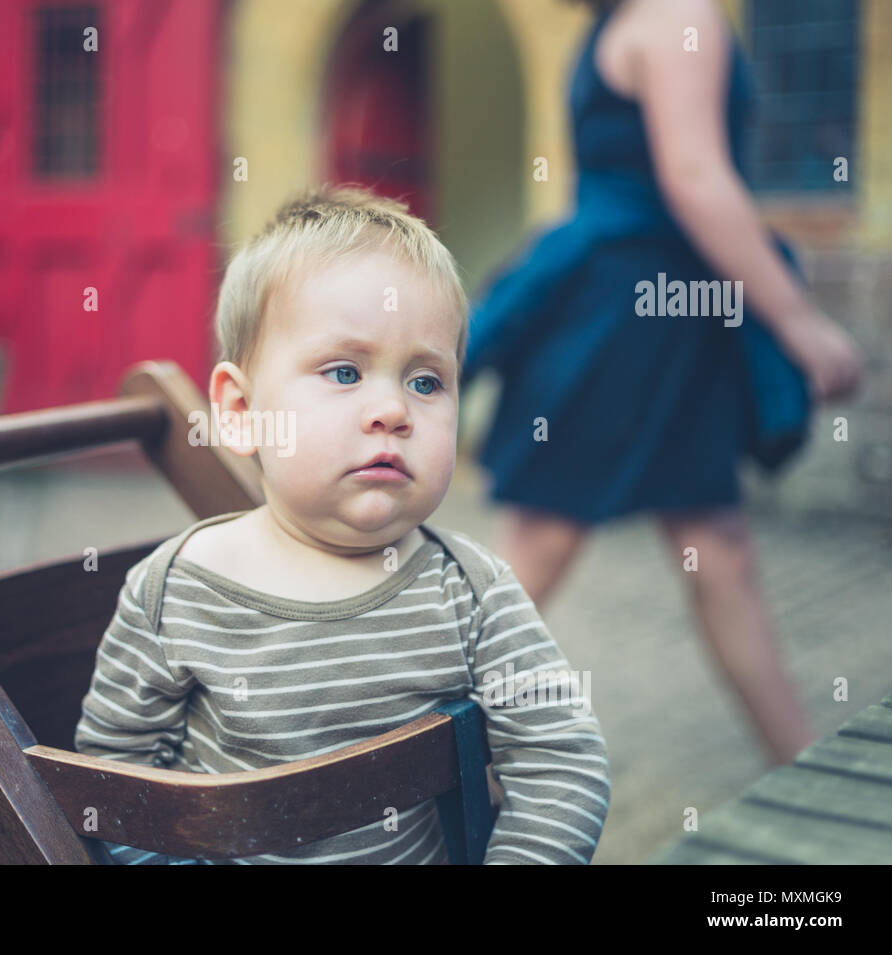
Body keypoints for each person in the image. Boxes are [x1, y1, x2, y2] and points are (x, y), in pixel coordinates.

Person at [74, 185, 610, 864]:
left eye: (425, 381)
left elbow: (562, 759)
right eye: (345, 370)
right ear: (241, 411)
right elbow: (112, 787)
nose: (392, 409)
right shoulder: (177, 592)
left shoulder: (470, 591)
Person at [462, 0, 863, 767]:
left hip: (640, 318)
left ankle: (810, 769)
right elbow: (695, 176)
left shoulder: (617, 23)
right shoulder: (678, 15)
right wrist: (797, 320)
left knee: (715, 546)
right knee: (543, 545)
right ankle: (386, 749)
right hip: (628, 324)